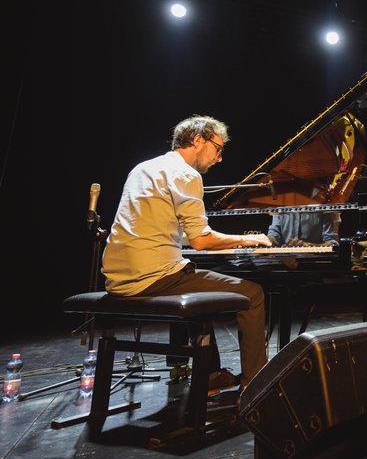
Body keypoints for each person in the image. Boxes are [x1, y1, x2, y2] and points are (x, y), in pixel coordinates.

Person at [102, 115, 272, 392]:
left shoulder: (143, 168)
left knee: (195, 280)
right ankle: (257, 386)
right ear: (198, 140)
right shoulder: (186, 174)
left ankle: (210, 374)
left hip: (117, 278)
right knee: (252, 294)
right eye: (218, 149)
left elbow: (162, 227)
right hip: (151, 278)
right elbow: (201, 241)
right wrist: (246, 239)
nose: (219, 158)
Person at [267, 211, 340, 246]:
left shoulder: (325, 203)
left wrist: (306, 245)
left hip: (314, 263)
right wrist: (265, 241)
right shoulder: (281, 202)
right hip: (284, 262)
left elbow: (333, 244)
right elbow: (274, 236)